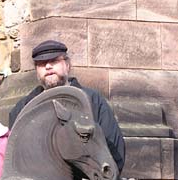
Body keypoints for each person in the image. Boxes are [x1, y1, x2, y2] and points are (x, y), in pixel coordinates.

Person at [9, 40, 125, 172]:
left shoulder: (93, 101)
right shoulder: (23, 109)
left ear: (67, 65)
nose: (48, 66)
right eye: (41, 64)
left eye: (54, 61)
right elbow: (16, 155)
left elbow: (114, 149)